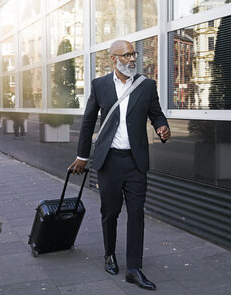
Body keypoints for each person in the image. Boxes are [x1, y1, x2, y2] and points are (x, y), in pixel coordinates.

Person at [68, 40, 170, 290]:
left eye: (133, 54)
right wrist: (82, 156)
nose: (132, 59)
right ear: (112, 59)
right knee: (110, 212)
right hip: (109, 161)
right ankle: (109, 254)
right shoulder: (100, 85)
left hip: (136, 162)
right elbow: (88, 121)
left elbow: (155, 113)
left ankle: (134, 268)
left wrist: (161, 126)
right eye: (126, 55)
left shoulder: (146, 86)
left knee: (136, 214)